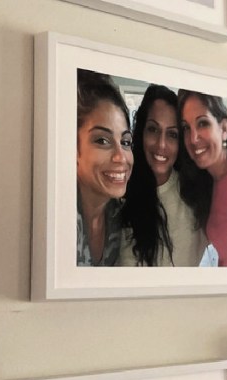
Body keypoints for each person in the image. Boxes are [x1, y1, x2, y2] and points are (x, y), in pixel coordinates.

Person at [120, 84, 208, 267]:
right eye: (153, 129)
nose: (161, 144)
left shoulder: (196, 195)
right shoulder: (118, 192)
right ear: (141, 132)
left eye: (172, 135)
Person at [76, 69, 133, 266]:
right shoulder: (57, 217)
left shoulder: (120, 217)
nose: (120, 157)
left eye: (125, 142)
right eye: (102, 140)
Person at [179, 90, 227, 267]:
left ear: (224, 129)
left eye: (203, 123)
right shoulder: (208, 182)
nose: (193, 139)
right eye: (187, 128)